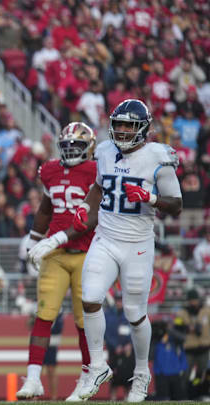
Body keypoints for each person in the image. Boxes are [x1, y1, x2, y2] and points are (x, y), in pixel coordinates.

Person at [72, 99, 183, 401]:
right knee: (90, 298)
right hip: (105, 238)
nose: (121, 130)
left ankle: (142, 374)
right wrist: (85, 208)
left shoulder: (158, 156)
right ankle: (97, 366)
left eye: (128, 125)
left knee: (135, 314)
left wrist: (151, 197)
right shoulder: (106, 151)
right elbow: (98, 186)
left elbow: (176, 205)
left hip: (137, 244)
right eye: (118, 124)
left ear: (143, 129)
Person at [18, 122, 98, 400]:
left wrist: (52, 239)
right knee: (43, 315)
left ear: (88, 148)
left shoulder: (95, 171)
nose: (70, 151)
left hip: (86, 252)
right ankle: (32, 378)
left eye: (76, 146)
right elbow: (45, 208)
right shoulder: (50, 170)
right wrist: (33, 238)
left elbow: (91, 219)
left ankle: (88, 377)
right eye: (66, 146)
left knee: (84, 321)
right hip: (56, 255)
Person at [175, 289, 210, 398]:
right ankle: (184, 396)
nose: (193, 302)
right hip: (189, 348)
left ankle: (198, 393)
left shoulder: (207, 311)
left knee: (201, 374)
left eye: (194, 300)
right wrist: (187, 327)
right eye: (191, 300)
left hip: (204, 347)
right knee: (185, 374)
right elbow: (176, 326)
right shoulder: (182, 312)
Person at [105, 292, 133, 400]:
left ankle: (127, 398)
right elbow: (106, 333)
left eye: (121, 300)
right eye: (117, 300)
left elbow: (133, 330)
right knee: (114, 376)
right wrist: (115, 346)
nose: (119, 302)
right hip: (114, 351)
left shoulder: (129, 314)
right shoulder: (108, 314)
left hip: (127, 350)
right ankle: (113, 398)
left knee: (128, 376)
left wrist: (129, 344)